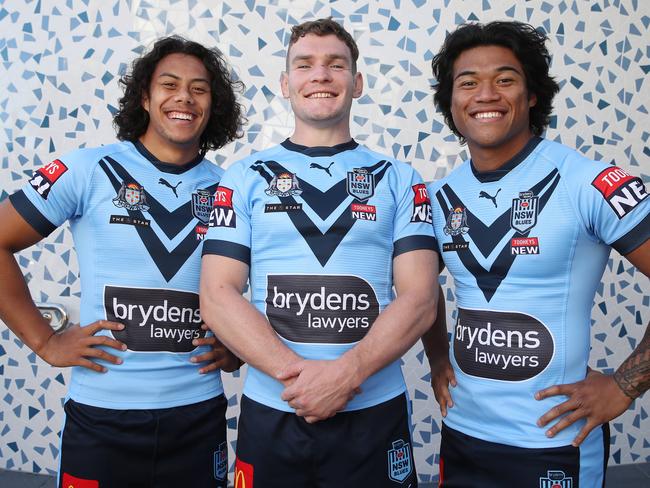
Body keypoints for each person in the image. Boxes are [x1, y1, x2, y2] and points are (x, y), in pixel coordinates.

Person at [200, 17, 439, 488]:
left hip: (373, 412)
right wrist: (304, 380)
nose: (321, 75)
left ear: (358, 82)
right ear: (286, 84)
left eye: (336, 64)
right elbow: (218, 294)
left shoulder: (400, 179)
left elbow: (421, 299)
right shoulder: (244, 177)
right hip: (276, 409)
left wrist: (346, 375)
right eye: (304, 65)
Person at [0, 36, 245, 488]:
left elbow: (265, 279)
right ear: (146, 98)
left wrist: (238, 347)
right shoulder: (88, 170)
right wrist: (44, 342)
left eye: (200, 88)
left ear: (214, 105)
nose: (184, 98)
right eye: (169, 84)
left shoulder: (232, 190)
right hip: (101, 418)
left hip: (196, 416)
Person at [422, 20, 649, 487]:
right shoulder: (438, 196)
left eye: (505, 79)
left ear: (530, 97)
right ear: (451, 103)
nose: (485, 94)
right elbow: (419, 292)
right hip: (462, 435)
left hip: (554, 443)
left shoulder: (590, 183)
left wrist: (623, 387)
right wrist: (440, 358)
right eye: (468, 83)